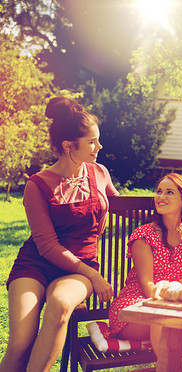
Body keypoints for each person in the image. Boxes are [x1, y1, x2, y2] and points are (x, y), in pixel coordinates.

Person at [0, 97, 119, 372]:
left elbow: (124, 208)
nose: (98, 147)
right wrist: (96, 278)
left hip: (80, 269)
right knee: (20, 343)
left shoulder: (100, 173)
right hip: (36, 264)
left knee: (60, 303)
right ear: (68, 145)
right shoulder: (37, 185)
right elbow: (47, 246)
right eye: (92, 141)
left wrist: (173, 207)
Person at [107, 173, 182, 371]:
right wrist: (180, 291)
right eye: (159, 191)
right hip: (136, 307)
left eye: (169, 192)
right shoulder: (144, 235)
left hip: (175, 305)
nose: (160, 197)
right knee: (165, 319)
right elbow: (148, 288)